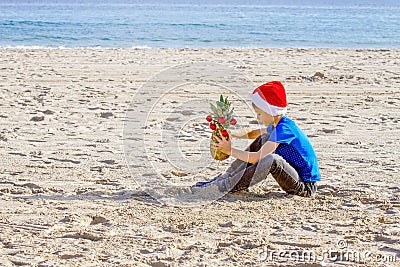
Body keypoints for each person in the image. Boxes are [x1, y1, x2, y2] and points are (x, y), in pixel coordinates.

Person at [193, 81, 320, 197]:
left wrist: (229, 150)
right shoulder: (279, 125)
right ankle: (227, 177)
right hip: (294, 177)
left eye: (259, 113)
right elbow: (252, 133)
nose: (258, 118)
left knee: (272, 160)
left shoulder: (284, 129)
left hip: (305, 187)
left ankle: (226, 186)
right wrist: (230, 133)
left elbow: (257, 158)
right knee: (263, 137)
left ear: (271, 111)